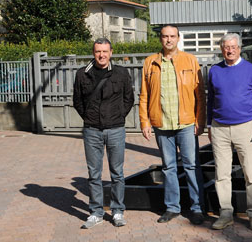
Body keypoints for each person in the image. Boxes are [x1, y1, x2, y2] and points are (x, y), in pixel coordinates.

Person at [139, 25, 206, 226]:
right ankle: (172, 207)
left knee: (192, 166)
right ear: (160, 39)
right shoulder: (150, 62)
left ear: (178, 38)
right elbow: (144, 95)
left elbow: (200, 95)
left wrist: (199, 121)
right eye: (165, 36)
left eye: (172, 36)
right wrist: (145, 121)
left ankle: (197, 208)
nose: (168, 40)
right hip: (162, 123)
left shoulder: (190, 60)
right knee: (168, 167)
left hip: (185, 123)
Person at [207, 33, 252, 231]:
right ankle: (226, 212)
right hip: (219, 128)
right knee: (222, 173)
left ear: (240, 48)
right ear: (221, 49)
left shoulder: (251, 70)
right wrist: (209, 125)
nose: (230, 50)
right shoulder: (214, 71)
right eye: (226, 47)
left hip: (246, 127)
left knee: (251, 172)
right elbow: (211, 100)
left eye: (233, 46)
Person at [73, 38, 134, 229]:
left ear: (111, 52)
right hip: (92, 131)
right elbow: (78, 101)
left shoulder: (121, 73)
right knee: (94, 174)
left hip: (116, 129)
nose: (102, 55)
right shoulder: (82, 74)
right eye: (98, 51)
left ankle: (117, 211)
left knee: (117, 173)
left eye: (105, 51)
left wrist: (117, 116)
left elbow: (128, 99)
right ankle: (96, 212)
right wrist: (90, 117)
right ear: (93, 53)